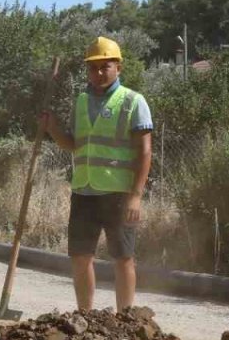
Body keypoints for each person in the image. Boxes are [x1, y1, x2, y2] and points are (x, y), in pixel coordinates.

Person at [41, 36, 153, 312]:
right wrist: (52, 128)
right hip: (84, 192)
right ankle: (85, 317)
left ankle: (126, 317)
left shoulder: (133, 101)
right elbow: (74, 144)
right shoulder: (81, 102)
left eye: (106, 66)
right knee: (80, 257)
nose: (99, 73)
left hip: (119, 193)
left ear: (119, 67)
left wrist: (136, 196)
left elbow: (145, 153)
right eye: (93, 68)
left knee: (123, 257)